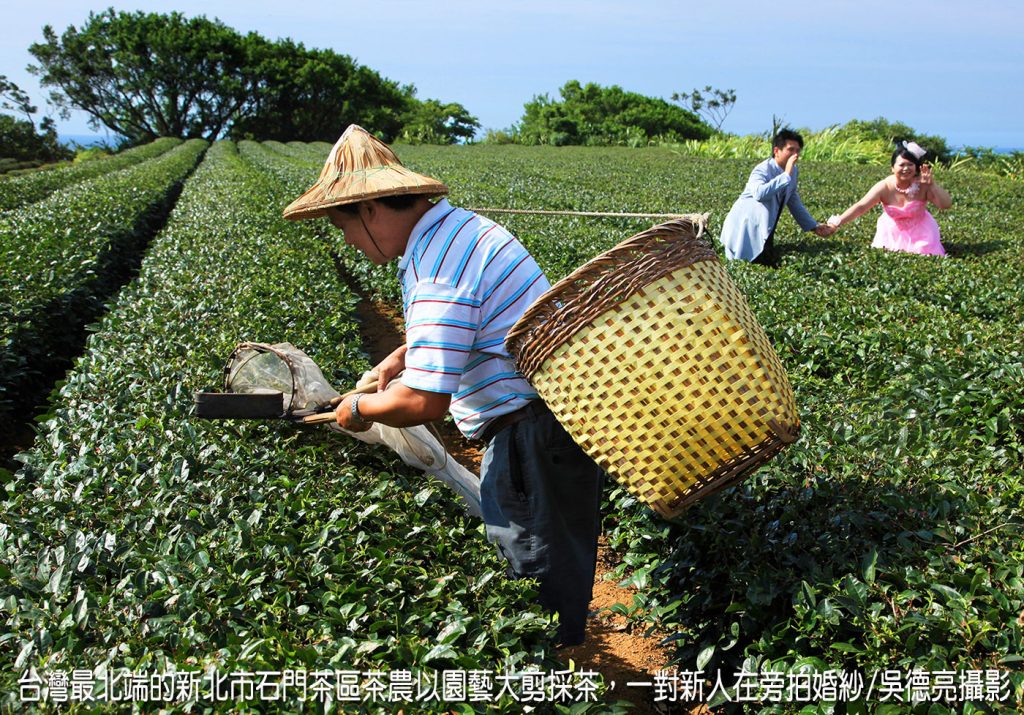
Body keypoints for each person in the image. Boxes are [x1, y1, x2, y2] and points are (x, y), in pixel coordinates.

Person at [282, 124, 604, 646]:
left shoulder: (436, 266)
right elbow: (475, 321)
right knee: (552, 575)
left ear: (370, 209)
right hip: (548, 425)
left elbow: (424, 401)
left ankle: (549, 678)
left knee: (534, 596)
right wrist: (402, 355)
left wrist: (359, 410)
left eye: (343, 226)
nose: (346, 241)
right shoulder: (457, 232)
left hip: (528, 438)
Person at [719, 129, 836, 265]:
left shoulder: (793, 171)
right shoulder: (762, 169)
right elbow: (759, 194)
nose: (795, 154)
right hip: (745, 228)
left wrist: (813, 226)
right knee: (740, 265)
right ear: (776, 151)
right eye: (790, 150)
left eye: (798, 151)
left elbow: (793, 201)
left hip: (765, 229)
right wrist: (785, 175)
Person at [825, 140, 952, 256]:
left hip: (922, 232)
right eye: (901, 165)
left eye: (910, 164)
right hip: (890, 233)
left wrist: (932, 185)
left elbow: (945, 205)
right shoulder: (884, 186)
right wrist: (836, 222)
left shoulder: (923, 185)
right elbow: (861, 207)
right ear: (892, 168)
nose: (906, 168)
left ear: (916, 167)